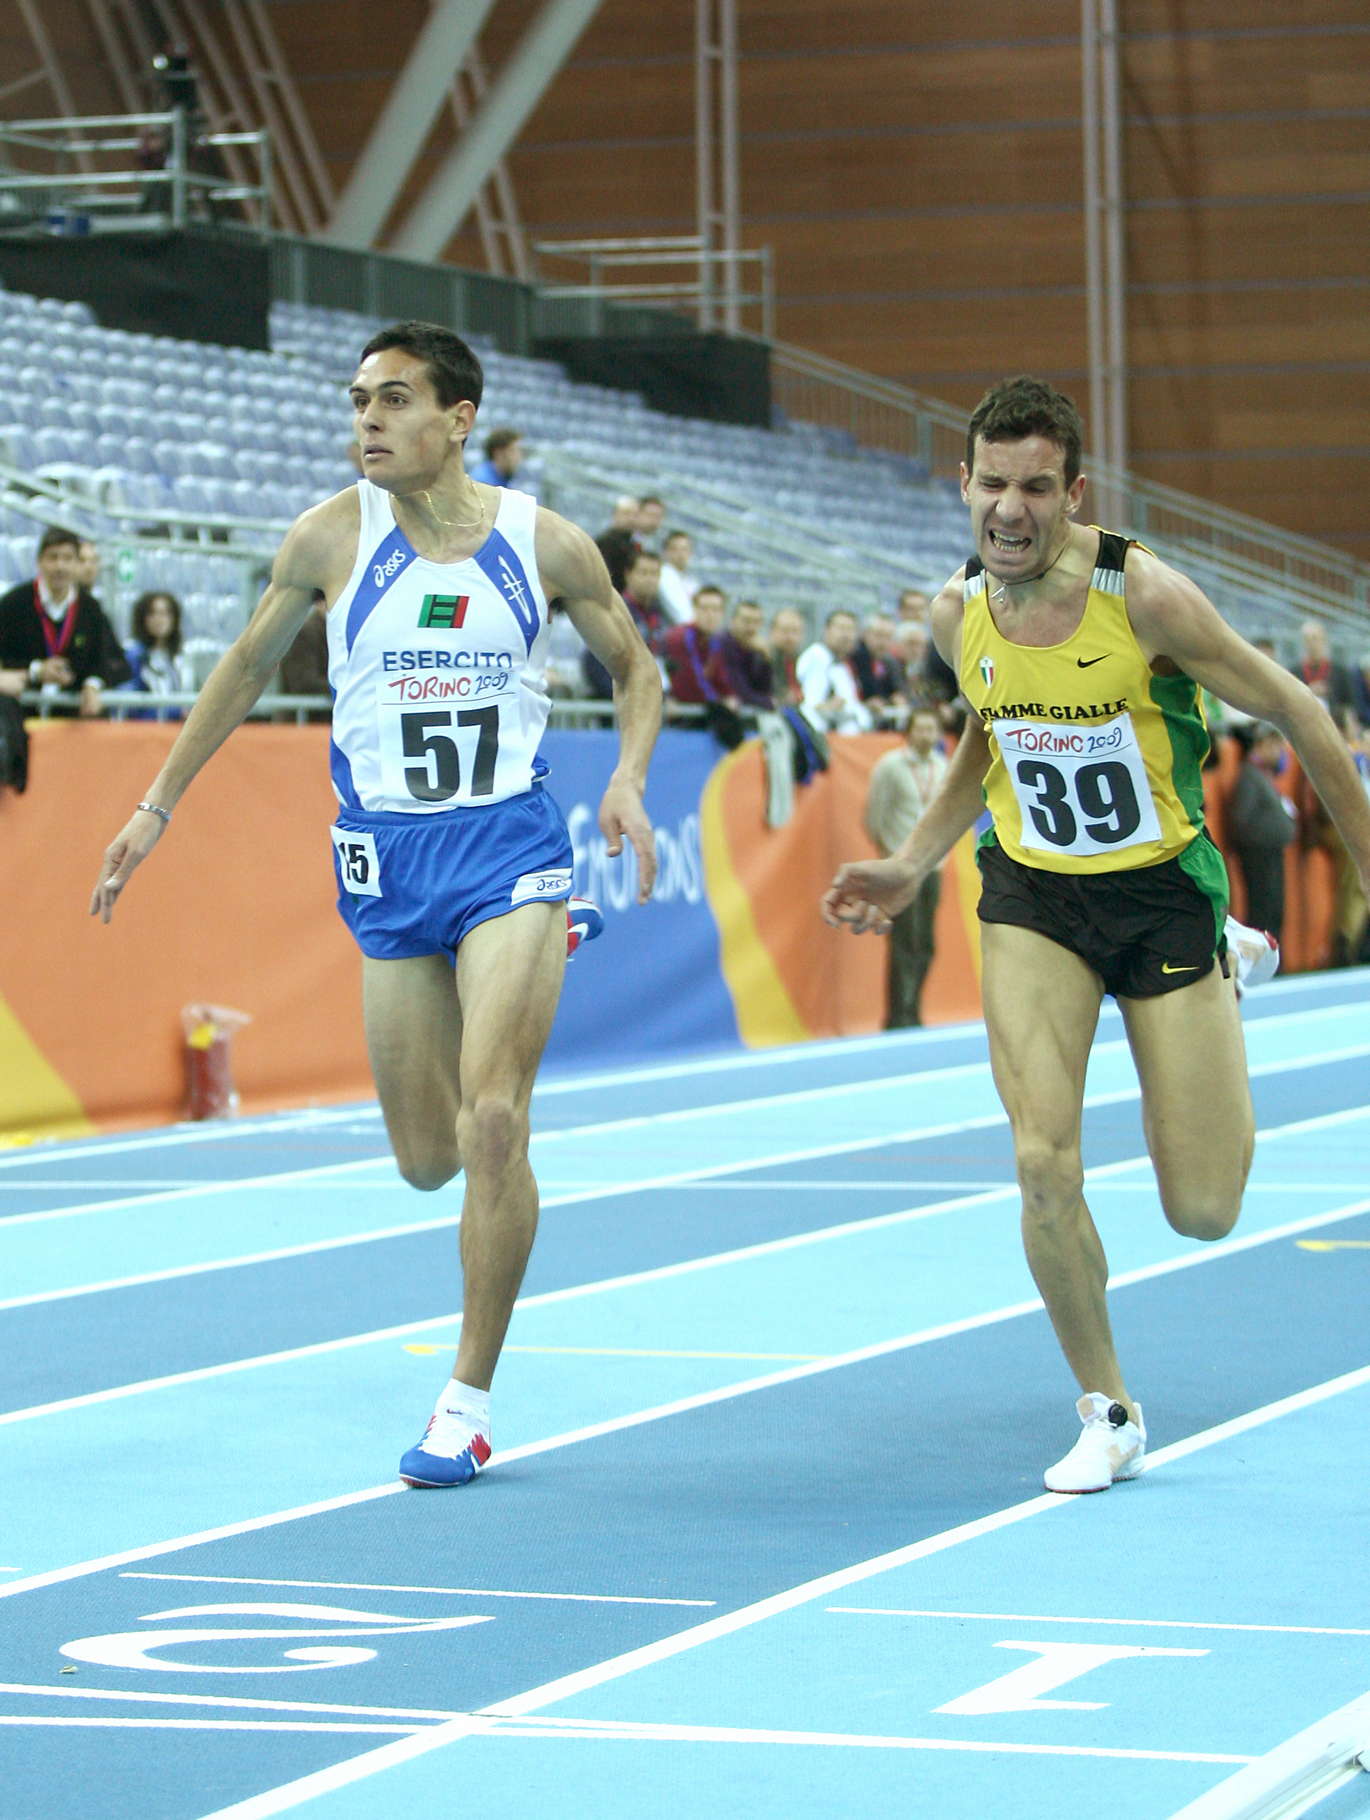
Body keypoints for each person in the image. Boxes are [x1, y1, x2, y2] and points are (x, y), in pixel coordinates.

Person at [91, 320, 661, 1490]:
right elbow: (244, 667)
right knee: (424, 1158)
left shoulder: (541, 543)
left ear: (458, 419)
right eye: (358, 399)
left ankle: (465, 1401)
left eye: (393, 398)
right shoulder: (328, 537)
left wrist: (628, 779)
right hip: (390, 864)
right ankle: (524, 961)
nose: (366, 418)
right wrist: (155, 803)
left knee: (492, 1121)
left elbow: (635, 667)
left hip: (508, 848)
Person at [823, 373, 1370, 1495]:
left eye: (1035, 487)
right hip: (1033, 895)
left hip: (1160, 893)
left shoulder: (1146, 596)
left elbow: (1300, 711)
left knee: (1203, 1209)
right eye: (991, 484)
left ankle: (1225, 956)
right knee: (1039, 1158)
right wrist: (913, 860)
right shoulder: (954, 611)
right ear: (962, 485)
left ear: (1073, 494)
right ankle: (1106, 1409)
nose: (1009, 509)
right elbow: (990, 734)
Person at [863, 706, 948, 1026]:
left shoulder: (942, 766)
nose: (927, 735)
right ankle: (899, 1016)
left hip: (932, 867)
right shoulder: (890, 766)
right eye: (921, 728)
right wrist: (890, 857)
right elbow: (874, 816)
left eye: (932, 729)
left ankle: (914, 1009)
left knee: (925, 943)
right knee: (904, 942)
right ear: (908, 732)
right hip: (900, 867)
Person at [0, 525, 130, 717]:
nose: (60, 566)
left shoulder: (91, 608)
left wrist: (92, 684)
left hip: (71, 718)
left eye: (68, 558)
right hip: (20, 714)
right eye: (53, 557)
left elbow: (105, 661)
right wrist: (36, 670)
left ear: (77, 564)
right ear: (39, 562)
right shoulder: (13, 603)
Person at [1227, 721, 1296, 939]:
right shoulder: (1249, 775)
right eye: (1275, 746)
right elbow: (1241, 818)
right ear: (1262, 745)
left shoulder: (1263, 775)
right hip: (1258, 855)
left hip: (1271, 852)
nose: (1279, 752)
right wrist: (1263, 837)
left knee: (1275, 909)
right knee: (1262, 909)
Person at [797, 608, 872, 734]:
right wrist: (829, 706)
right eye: (841, 628)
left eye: (851, 630)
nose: (846, 635)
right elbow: (811, 705)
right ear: (826, 631)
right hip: (820, 735)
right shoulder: (817, 657)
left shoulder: (841, 664)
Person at [124, 589, 191, 720]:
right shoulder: (134, 656)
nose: (159, 619)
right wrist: (176, 713)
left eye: (165, 613)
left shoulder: (181, 656)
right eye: (152, 614)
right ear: (142, 619)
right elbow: (133, 706)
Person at [656, 529, 699, 625]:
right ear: (665, 552)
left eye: (684, 549)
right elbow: (683, 617)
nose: (680, 554)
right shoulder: (664, 576)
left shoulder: (690, 580)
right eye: (674, 549)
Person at [468, 425, 525, 489]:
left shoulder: (503, 476)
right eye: (513, 451)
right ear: (499, 453)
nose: (519, 456)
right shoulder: (481, 482)